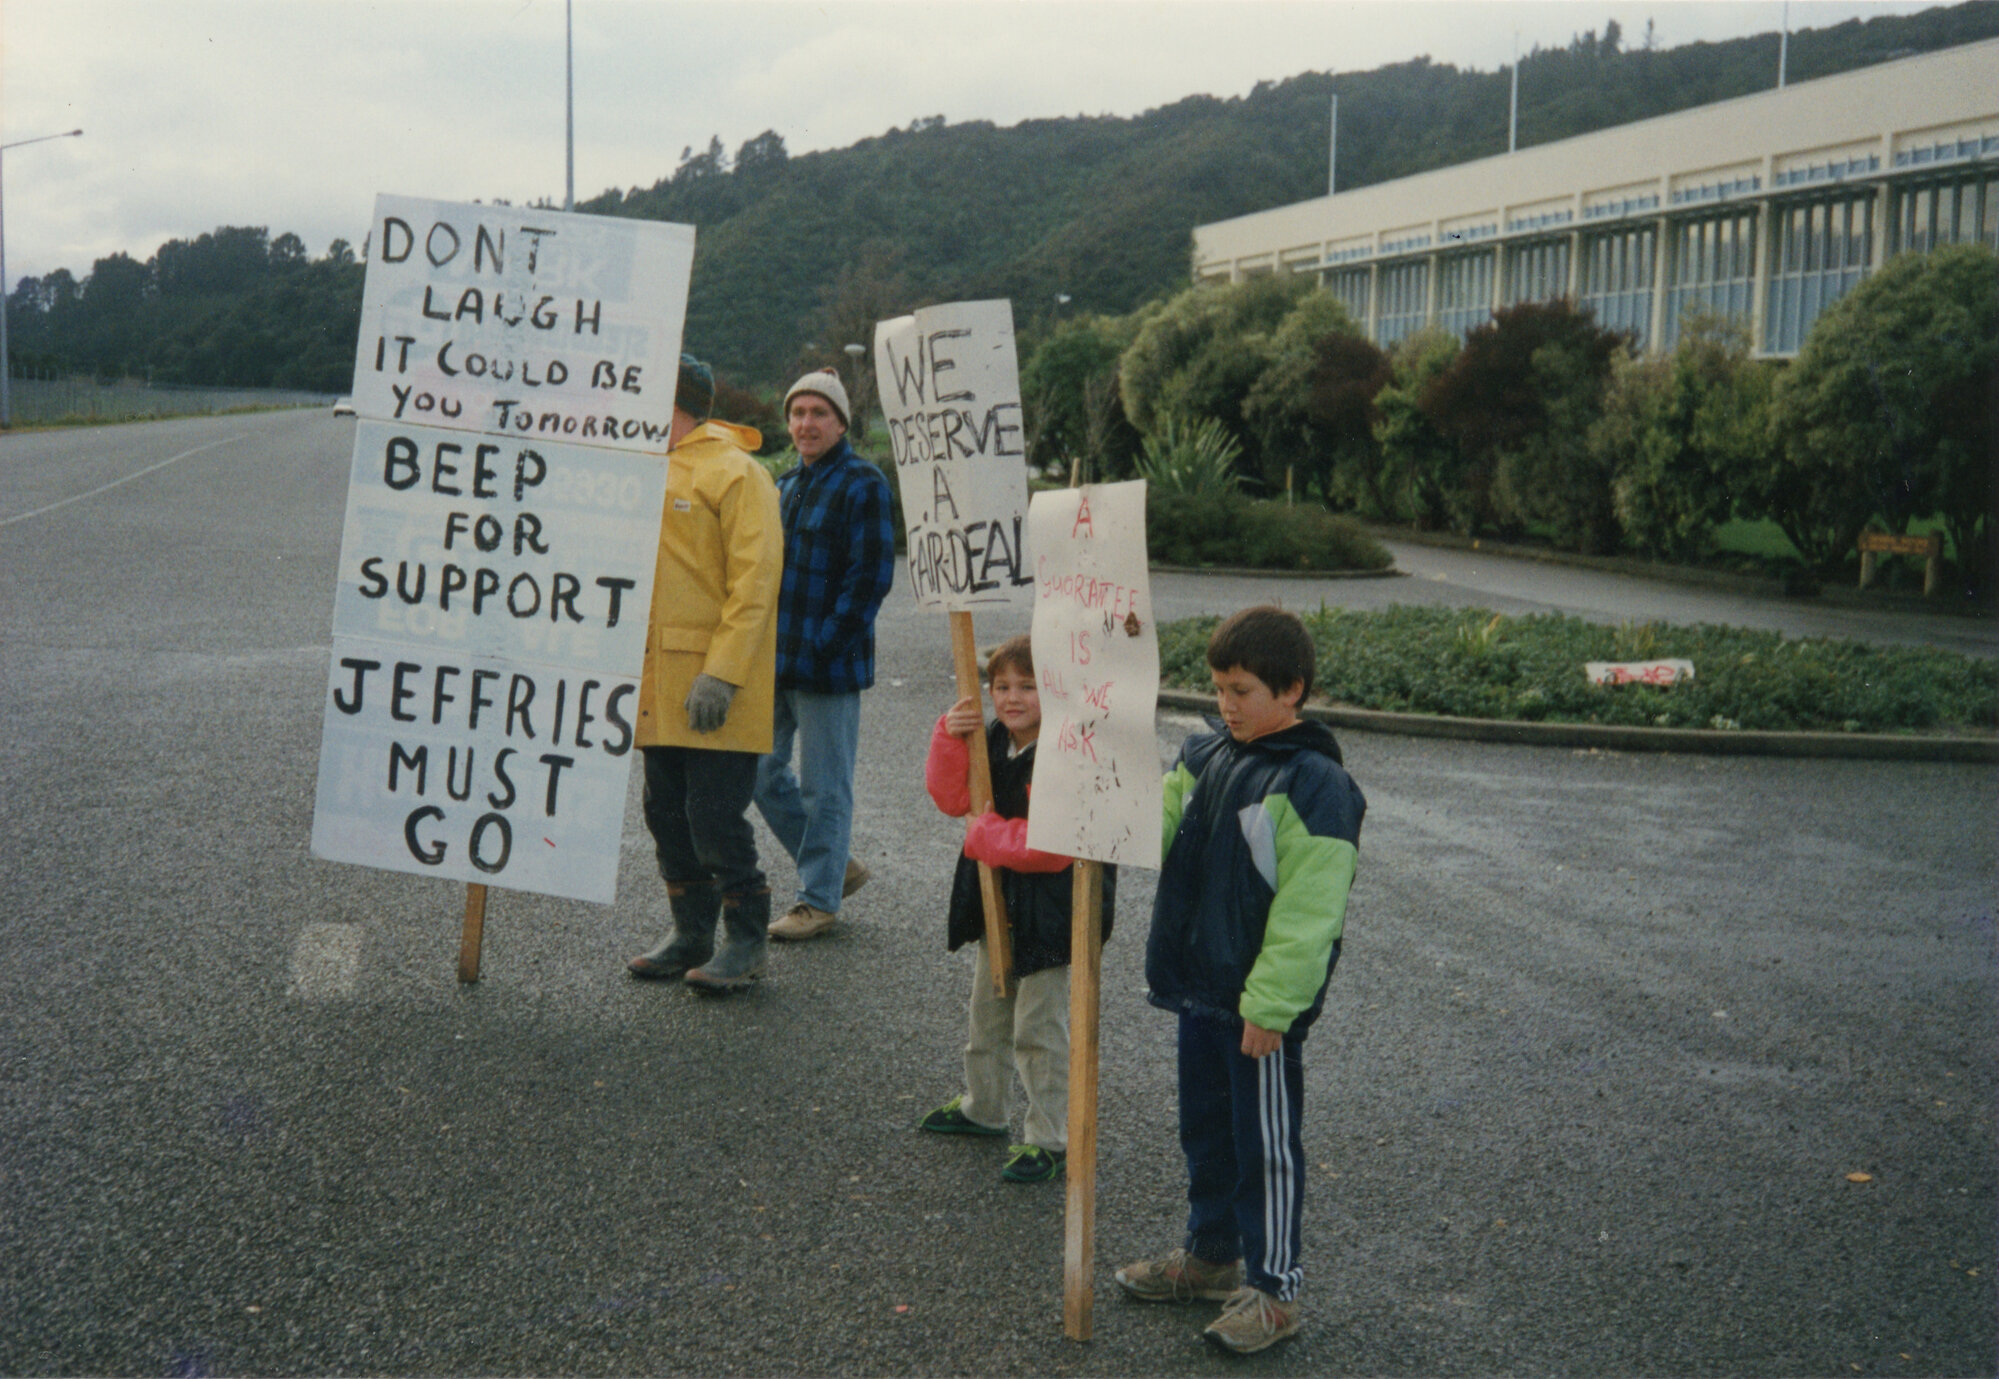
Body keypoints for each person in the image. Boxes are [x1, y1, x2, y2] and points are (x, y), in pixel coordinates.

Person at [1114, 606, 1365, 1355]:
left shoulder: (1316, 784)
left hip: (1257, 1008)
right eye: (1218, 688)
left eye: (1242, 690)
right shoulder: (1203, 755)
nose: (1225, 704)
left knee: (1264, 1147)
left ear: (1292, 691)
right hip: (1199, 990)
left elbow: (1310, 912)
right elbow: (1150, 827)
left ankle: (1274, 1289)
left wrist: (1272, 1005)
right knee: (1206, 1131)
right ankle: (1212, 1255)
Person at [916, 636, 1115, 1183]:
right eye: (1001, 686)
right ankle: (984, 1106)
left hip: (1054, 910)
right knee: (988, 1012)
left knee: (1037, 1027)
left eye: (1028, 686)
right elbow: (954, 799)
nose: (1012, 697)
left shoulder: (1068, 752)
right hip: (998, 899)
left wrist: (986, 836)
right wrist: (949, 736)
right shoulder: (992, 740)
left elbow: (1053, 845)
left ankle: (1050, 1136)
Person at [625, 354, 784, 994]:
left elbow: (756, 584)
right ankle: (690, 934)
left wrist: (722, 673)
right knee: (665, 813)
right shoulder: (638, 468)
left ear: (674, 403)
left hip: (717, 688)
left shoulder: (738, 472)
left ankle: (746, 942)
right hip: (653, 685)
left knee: (714, 816)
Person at [754, 369, 896, 942]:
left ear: (841, 423)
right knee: (759, 772)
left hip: (828, 665)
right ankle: (836, 866)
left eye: (819, 413)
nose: (806, 423)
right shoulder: (786, 483)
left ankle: (818, 901)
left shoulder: (864, 483)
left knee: (824, 787)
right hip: (775, 659)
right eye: (798, 413)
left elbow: (870, 579)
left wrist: (826, 643)